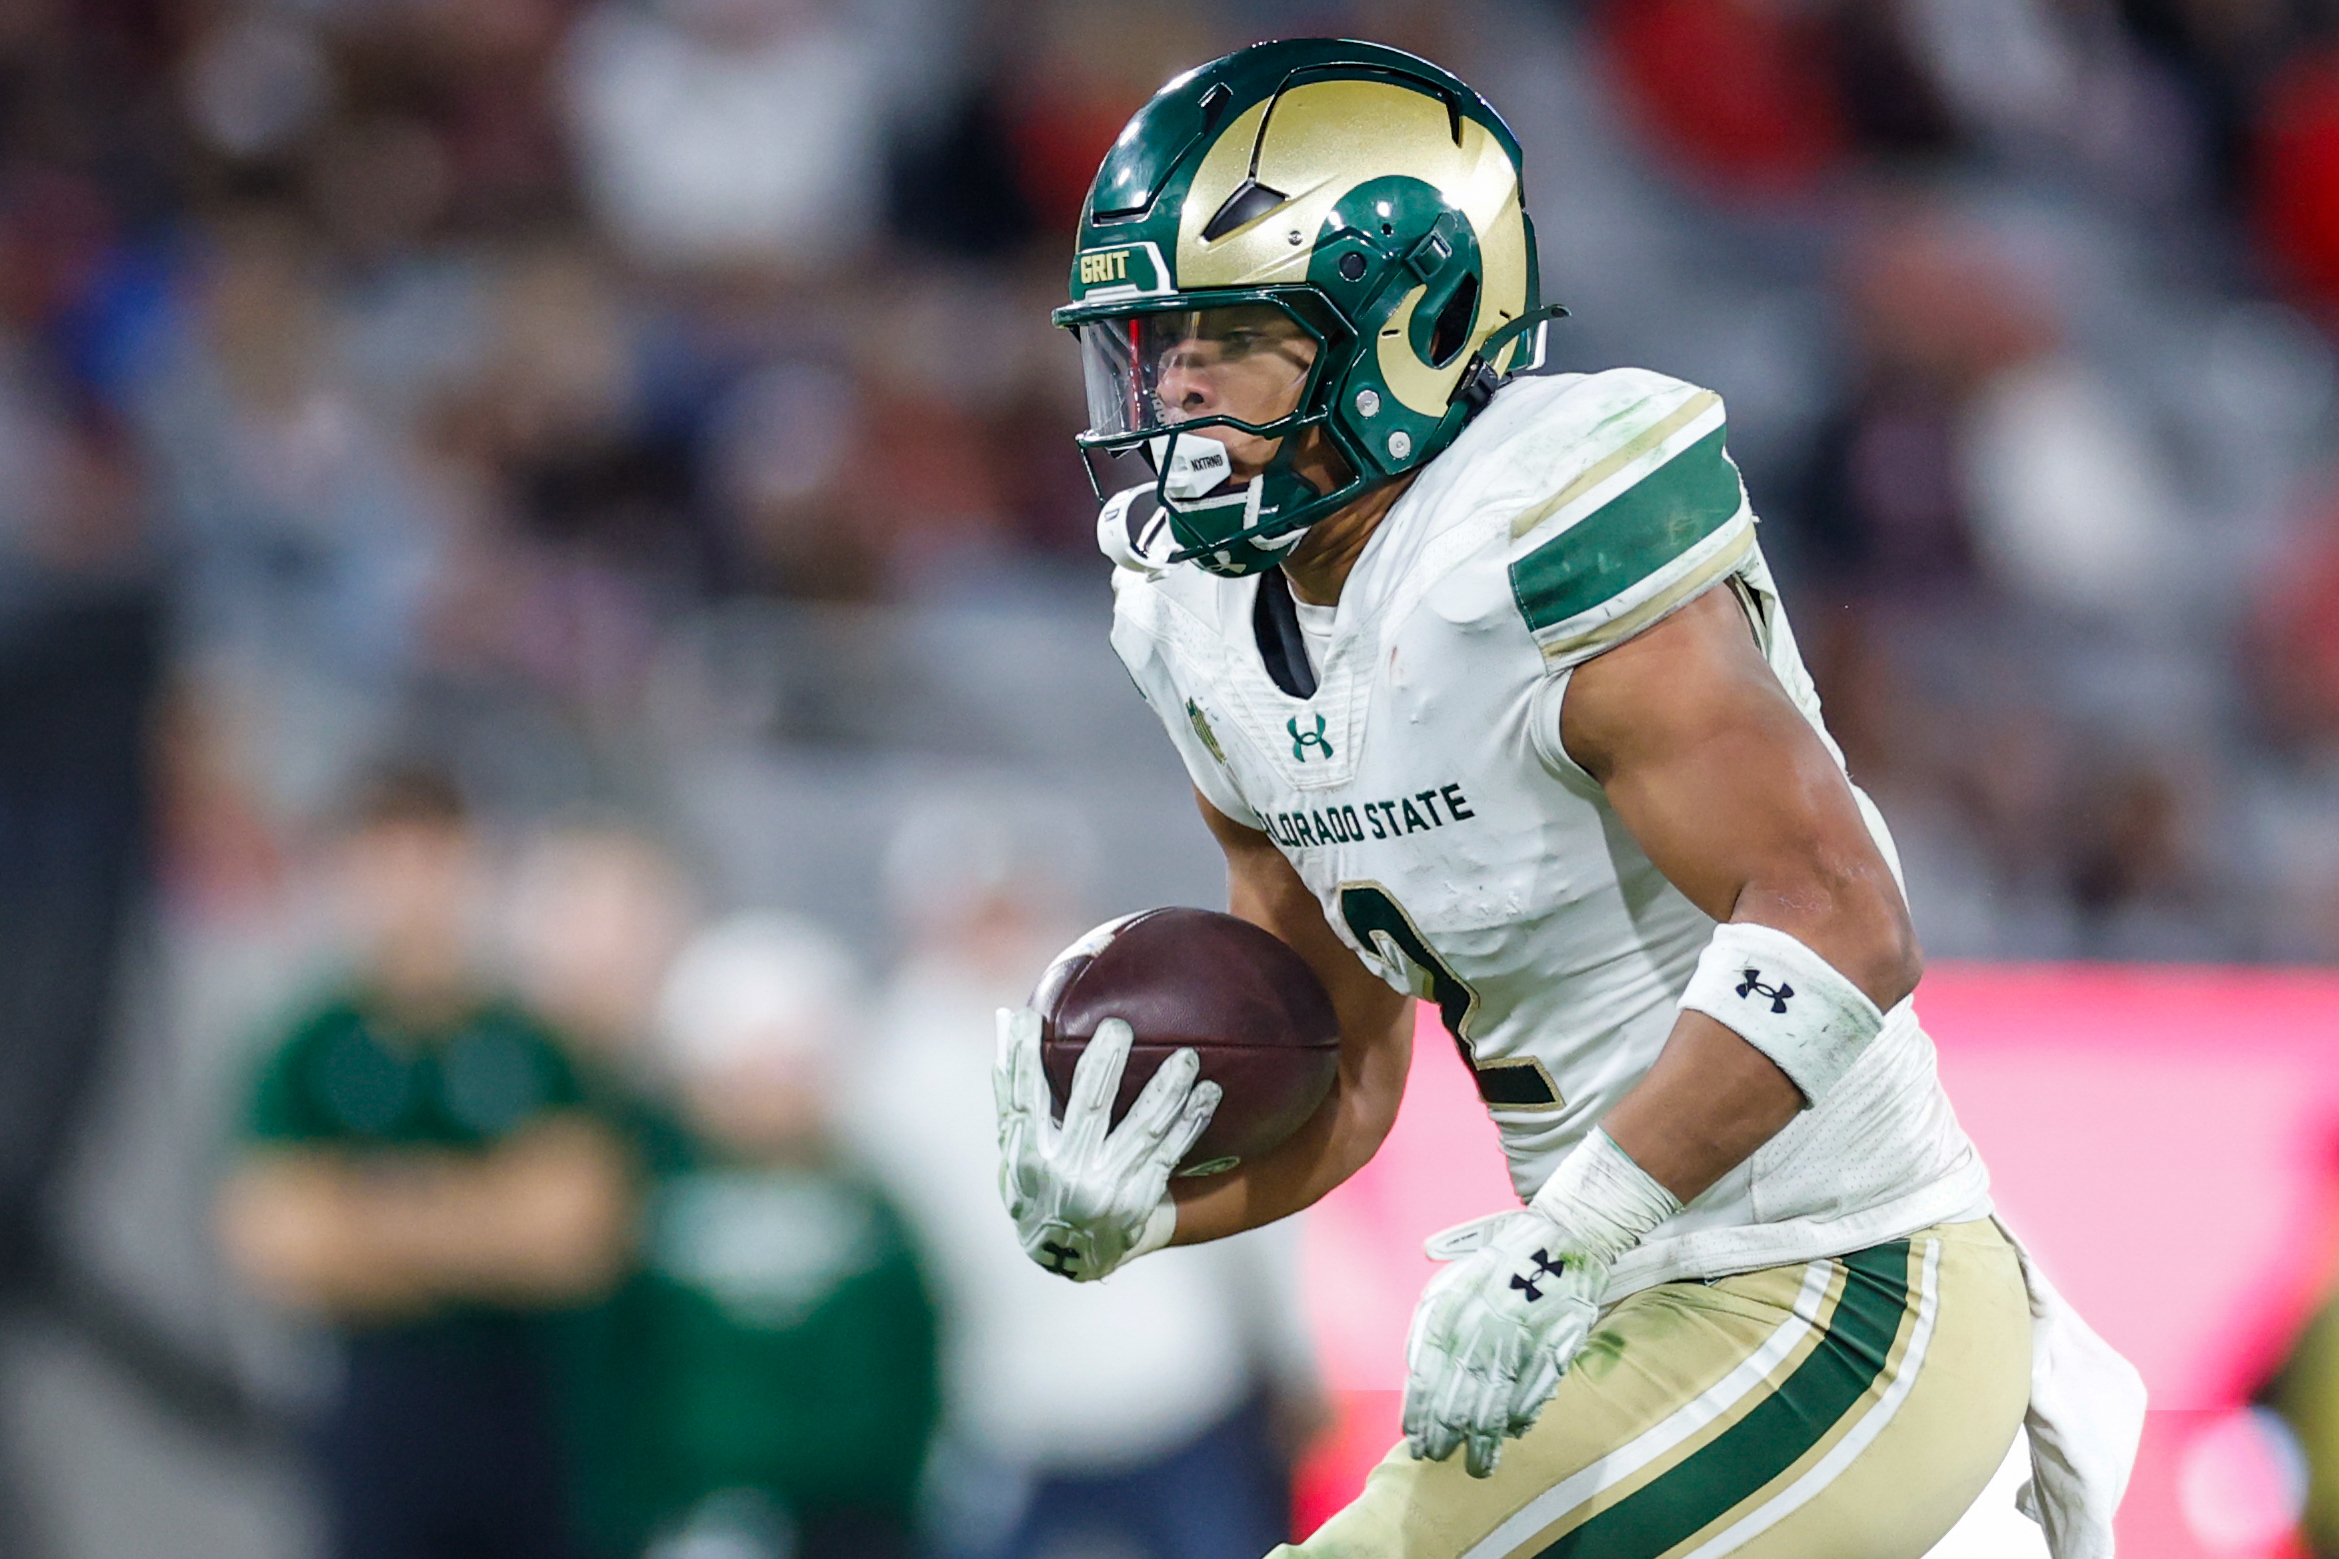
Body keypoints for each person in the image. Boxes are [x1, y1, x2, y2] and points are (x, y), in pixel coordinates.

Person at [992, 39, 2147, 1559]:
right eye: (1152, 341)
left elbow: (1839, 912)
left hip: (1829, 1280)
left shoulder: (1534, 532)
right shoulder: (1194, 612)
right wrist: (1148, 1214)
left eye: (1229, 333)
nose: (1174, 386)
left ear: (1408, 328)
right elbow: (1338, 1074)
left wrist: (1568, 1235)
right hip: (1607, 1310)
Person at [857, 791, 1319, 1559]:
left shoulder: (1151, 1009)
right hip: (1011, 1411)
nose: (996, 927)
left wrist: (1295, 1350)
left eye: (1011, 903)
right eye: (978, 907)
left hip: (1179, 1387)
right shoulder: (887, 1062)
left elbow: (1252, 1196)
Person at [216, 765, 631, 1559]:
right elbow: (280, 1241)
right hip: (376, 1393)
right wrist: (489, 1214)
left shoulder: (535, 1042)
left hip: (520, 1398)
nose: (412, 887)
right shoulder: (309, 1044)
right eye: (387, 860)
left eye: (432, 857)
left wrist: (374, 1208)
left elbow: (574, 1237)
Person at [565, 911, 939, 1559]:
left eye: (789, 1069)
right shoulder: (653, 1192)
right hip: (690, 1508)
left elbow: (913, 1350)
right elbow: (612, 1364)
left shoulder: (868, 1202)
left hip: (853, 1513)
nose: (769, 1095)